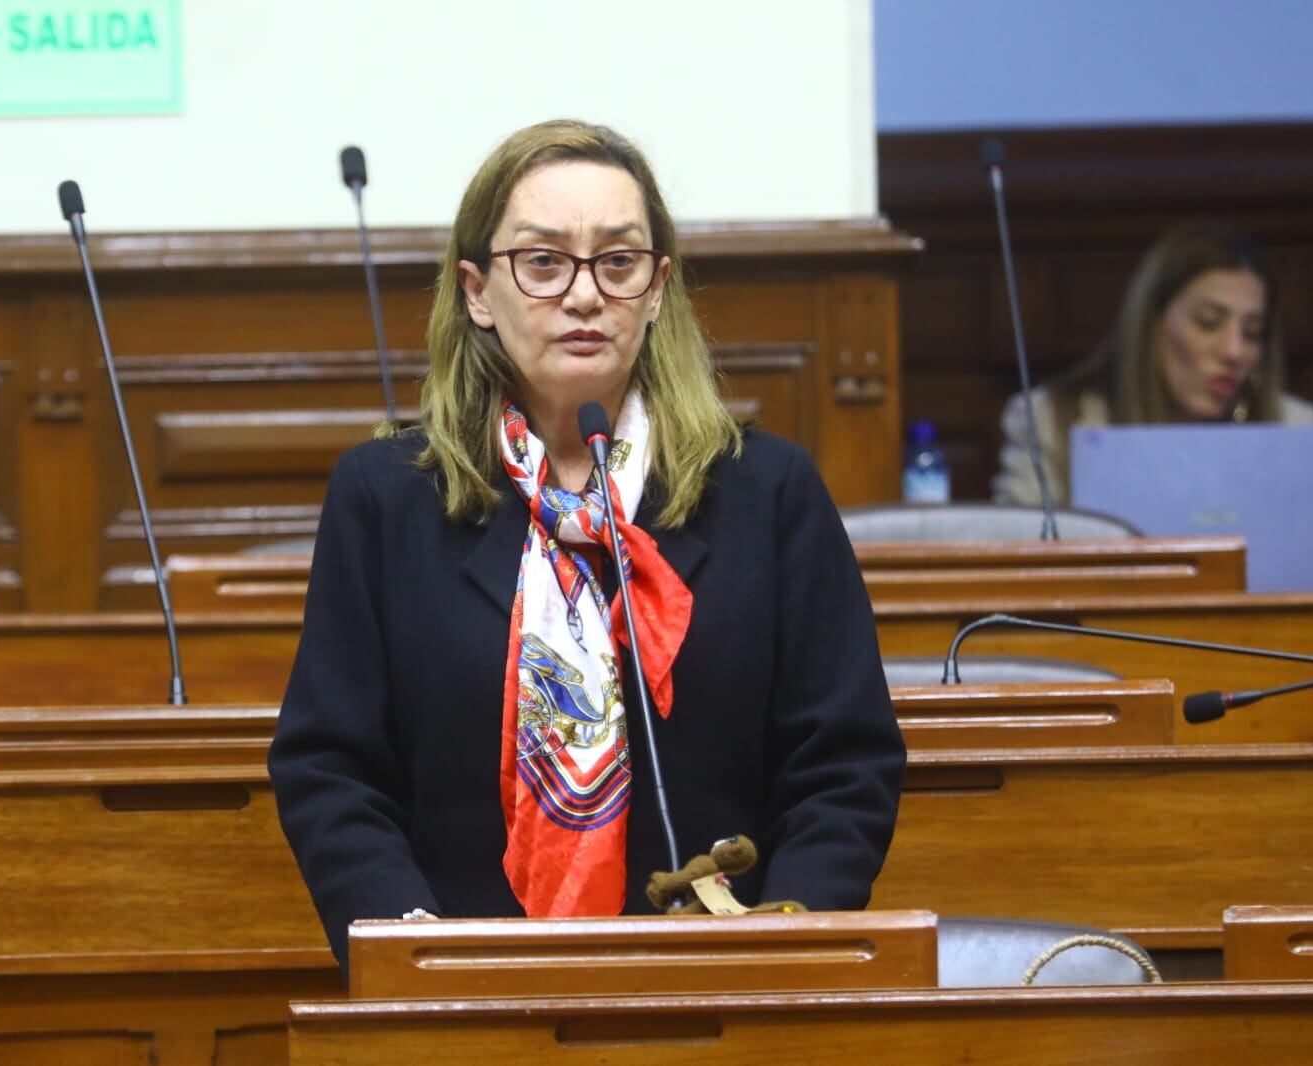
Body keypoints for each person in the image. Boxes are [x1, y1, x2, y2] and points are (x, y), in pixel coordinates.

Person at [268, 119, 905, 972]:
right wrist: (415, 959)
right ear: (477, 293)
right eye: (542, 262)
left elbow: (845, 763)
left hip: (724, 988)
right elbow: (331, 768)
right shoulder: (387, 499)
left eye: (617, 261)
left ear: (656, 288)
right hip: (463, 999)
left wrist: (773, 949)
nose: (583, 295)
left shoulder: (768, 493)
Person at [992, 220, 1313, 507]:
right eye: (1208, 323)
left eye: (1252, 332)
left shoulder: (1295, 428)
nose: (1234, 352)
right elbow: (1018, 562)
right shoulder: (1053, 420)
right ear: (1152, 324)